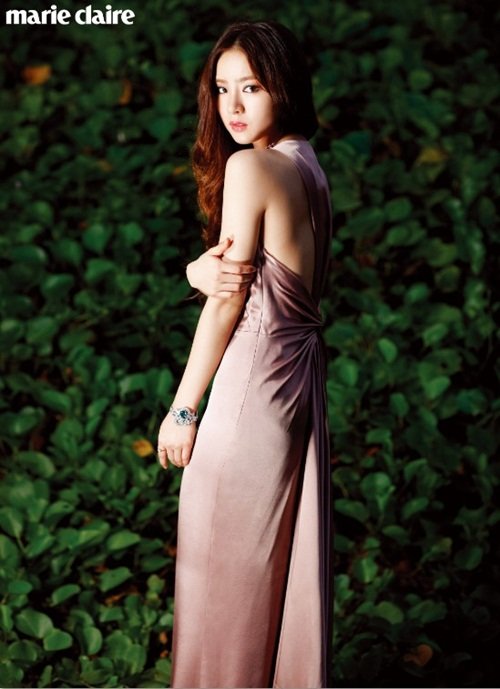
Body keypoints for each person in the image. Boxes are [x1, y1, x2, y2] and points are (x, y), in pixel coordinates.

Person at [156, 20, 332, 688]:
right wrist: (200, 271)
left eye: (251, 87)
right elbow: (246, 276)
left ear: (283, 87)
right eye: (222, 88)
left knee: (220, 596)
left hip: (245, 400)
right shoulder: (305, 163)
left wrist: (183, 409)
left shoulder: (250, 166)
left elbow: (228, 300)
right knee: (265, 586)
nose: (232, 105)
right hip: (292, 395)